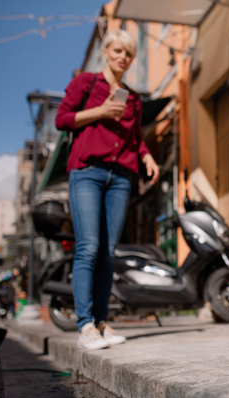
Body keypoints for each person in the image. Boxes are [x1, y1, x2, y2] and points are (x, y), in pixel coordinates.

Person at [56, 29, 159, 350]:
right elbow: (63, 119)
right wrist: (99, 112)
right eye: (117, 50)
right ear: (106, 51)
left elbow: (135, 137)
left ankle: (101, 322)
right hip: (87, 171)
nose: (122, 57)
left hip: (121, 177)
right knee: (88, 246)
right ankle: (85, 324)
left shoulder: (133, 97)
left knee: (107, 252)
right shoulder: (86, 84)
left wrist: (146, 155)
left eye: (128, 53)